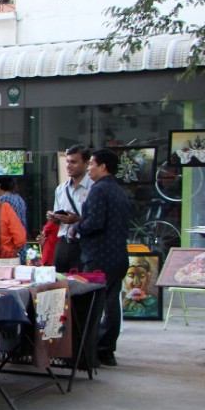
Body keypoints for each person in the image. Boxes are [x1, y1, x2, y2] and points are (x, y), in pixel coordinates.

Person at [66, 149, 131, 367]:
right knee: (111, 303)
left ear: (103, 167)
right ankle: (106, 350)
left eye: (92, 164)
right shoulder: (120, 191)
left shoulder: (98, 190)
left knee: (93, 305)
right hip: (118, 256)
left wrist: (76, 226)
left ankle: (89, 351)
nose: (90, 168)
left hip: (99, 256)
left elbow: (95, 223)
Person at [43, 145, 94, 272]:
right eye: (67, 161)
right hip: (63, 243)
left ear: (86, 163)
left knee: (82, 286)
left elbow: (97, 220)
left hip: (84, 244)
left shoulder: (94, 188)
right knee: (60, 285)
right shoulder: (61, 189)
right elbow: (58, 220)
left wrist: (77, 220)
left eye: (74, 162)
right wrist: (54, 217)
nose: (68, 165)